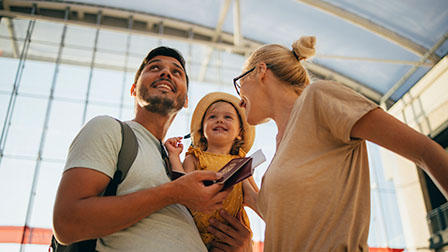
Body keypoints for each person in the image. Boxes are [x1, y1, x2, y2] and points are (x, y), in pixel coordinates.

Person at [230, 36, 448, 251]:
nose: (239, 100)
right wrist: (248, 198)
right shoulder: (279, 146)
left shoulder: (319, 98)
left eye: (239, 85)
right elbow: (294, 222)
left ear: (261, 71)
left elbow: (424, 151)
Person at [52, 46, 252, 252]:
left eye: (177, 72)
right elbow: (67, 223)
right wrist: (173, 193)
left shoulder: (178, 164)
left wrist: (242, 246)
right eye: (154, 68)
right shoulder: (111, 130)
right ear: (133, 89)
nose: (165, 73)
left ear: (186, 101)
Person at [165, 92, 260, 251]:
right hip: (193, 235)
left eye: (228, 117)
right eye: (212, 117)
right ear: (202, 131)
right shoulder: (194, 158)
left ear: (239, 134)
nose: (220, 120)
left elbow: (256, 200)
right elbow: (181, 186)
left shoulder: (241, 162)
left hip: (229, 240)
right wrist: (174, 156)